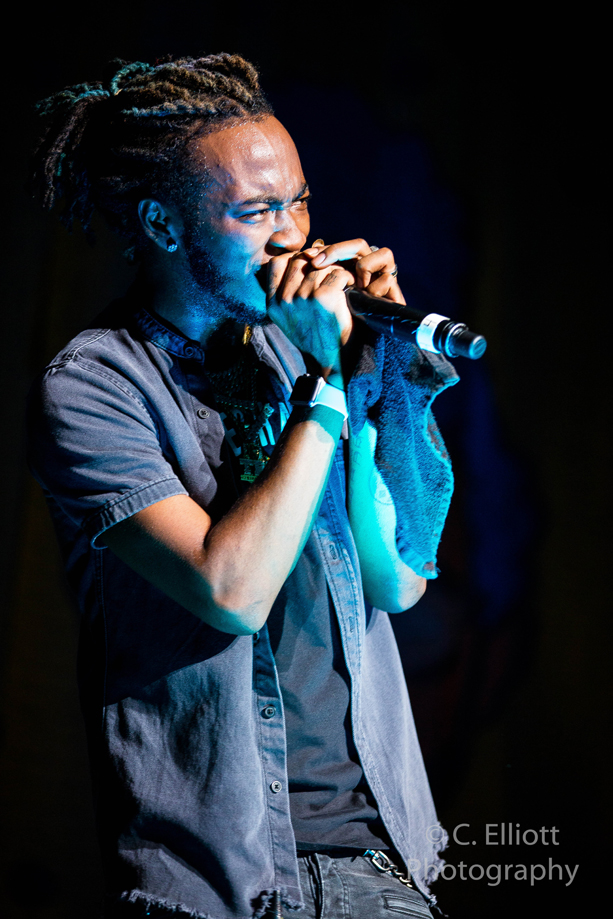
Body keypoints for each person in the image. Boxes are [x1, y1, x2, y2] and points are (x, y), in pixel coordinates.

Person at [27, 54, 458, 918]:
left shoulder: (301, 352)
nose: (292, 236)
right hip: (219, 882)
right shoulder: (96, 383)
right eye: (256, 211)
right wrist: (325, 388)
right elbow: (231, 590)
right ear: (163, 222)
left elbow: (398, 579)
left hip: (379, 858)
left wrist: (380, 375)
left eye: (298, 200)